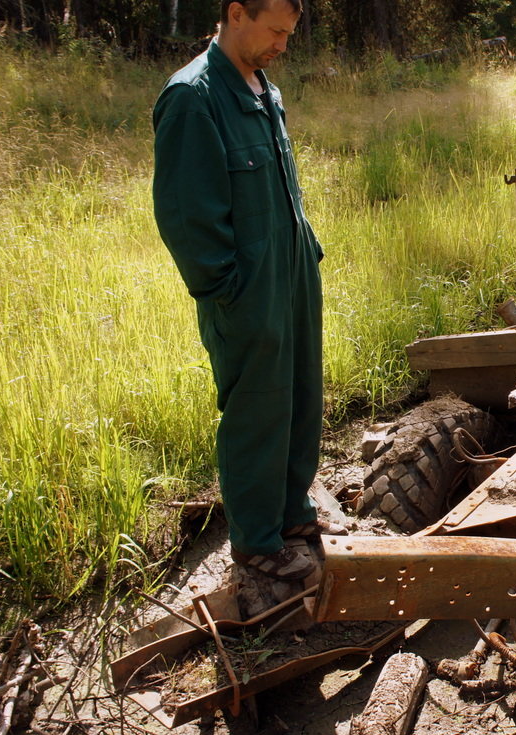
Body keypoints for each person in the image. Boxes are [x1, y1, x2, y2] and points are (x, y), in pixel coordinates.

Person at [153, 0, 343, 582]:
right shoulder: (194, 98)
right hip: (246, 291)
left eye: (289, 33)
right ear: (237, 13)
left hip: (291, 275)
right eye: (275, 31)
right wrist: (227, 291)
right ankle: (257, 542)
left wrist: (304, 253)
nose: (283, 45)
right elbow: (187, 217)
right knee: (257, 410)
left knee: (300, 396)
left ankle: (292, 512)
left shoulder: (264, 90)